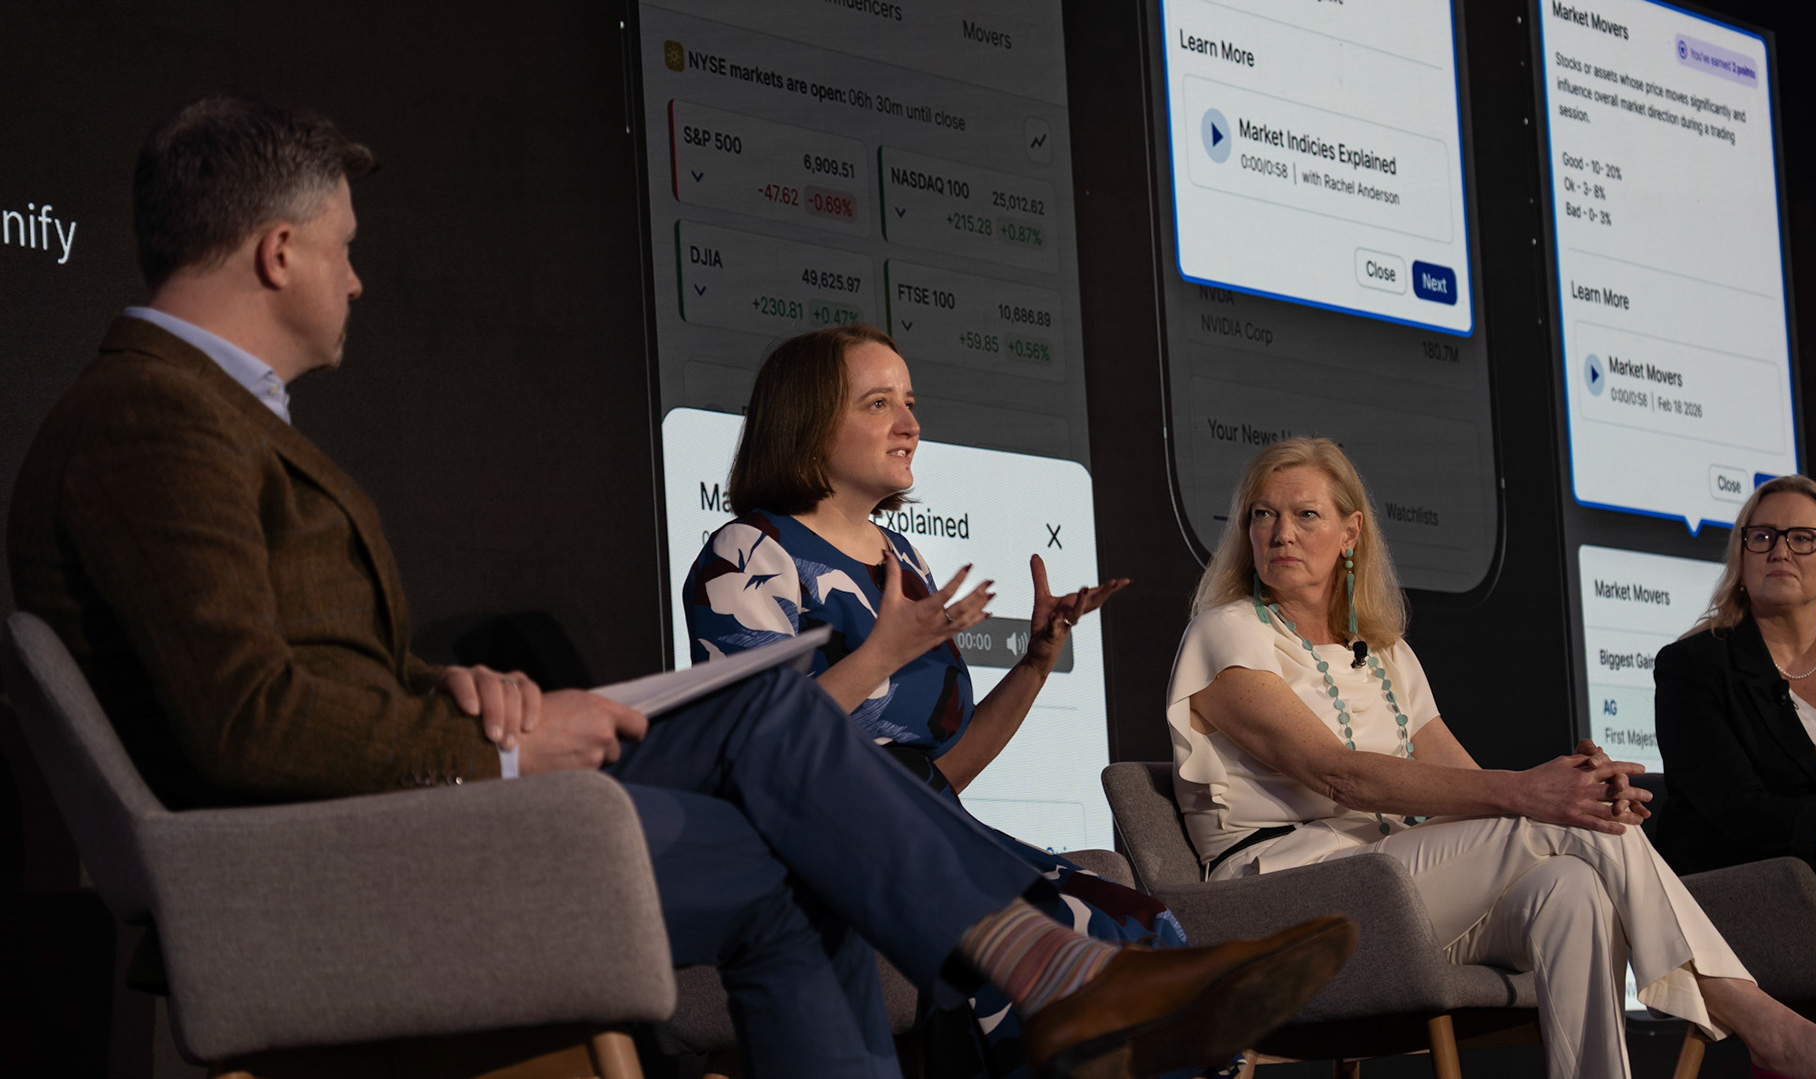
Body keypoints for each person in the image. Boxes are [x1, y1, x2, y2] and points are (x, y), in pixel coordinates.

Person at [4, 94, 1358, 1079]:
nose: (358, 278)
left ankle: (1046, 967)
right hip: (321, 878)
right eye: (344, 246)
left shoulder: (197, 418)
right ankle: (1046, 968)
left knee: (784, 789)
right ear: (276, 252)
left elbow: (285, 672)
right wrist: (505, 744)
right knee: (796, 795)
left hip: (388, 820)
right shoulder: (152, 424)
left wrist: (444, 688)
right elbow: (245, 725)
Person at [1161, 437, 1816, 1079]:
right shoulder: (1225, 632)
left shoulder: (1386, 653)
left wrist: (1572, 783)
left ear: (1351, 533)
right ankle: (1771, 1029)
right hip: (1280, 899)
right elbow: (1339, 773)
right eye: (1262, 514)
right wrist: (1537, 795)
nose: (1280, 532)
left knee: (1570, 887)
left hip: (1391, 891)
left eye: (1304, 515)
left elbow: (1462, 782)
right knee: (1565, 824)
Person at [685, 324, 1199, 1078]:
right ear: (807, 422)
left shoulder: (903, 558)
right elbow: (759, 746)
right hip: (815, 841)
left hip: (924, 821)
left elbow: (942, 772)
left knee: (1143, 923)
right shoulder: (749, 551)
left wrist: (1036, 661)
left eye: (911, 402)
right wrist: (881, 655)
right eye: (878, 403)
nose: (910, 424)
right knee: (1066, 936)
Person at [1655, 474, 1816, 1037]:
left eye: (1802, 538)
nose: (1779, 550)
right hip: (1758, 886)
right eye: (1762, 537)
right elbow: (1739, 810)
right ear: (1742, 561)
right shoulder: (1694, 668)